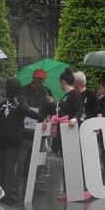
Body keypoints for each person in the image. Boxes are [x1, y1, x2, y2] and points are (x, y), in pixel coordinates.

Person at [0, 78, 29, 202]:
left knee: (1, 164)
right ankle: (9, 194)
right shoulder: (19, 97)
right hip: (15, 136)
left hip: (0, 135)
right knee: (11, 166)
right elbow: (25, 112)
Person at [53, 69, 85, 201]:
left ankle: (75, 190)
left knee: (71, 162)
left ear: (63, 81)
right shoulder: (65, 96)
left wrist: (74, 118)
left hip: (70, 131)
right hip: (63, 132)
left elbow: (79, 110)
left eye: (60, 82)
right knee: (65, 163)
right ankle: (67, 190)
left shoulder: (75, 94)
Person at [22, 68, 55, 192]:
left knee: (40, 155)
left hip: (42, 127)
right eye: (38, 79)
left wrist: (52, 103)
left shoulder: (47, 91)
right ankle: (25, 180)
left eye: (42, 79)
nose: (40, 81)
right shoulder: (24, 90)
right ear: (33, 78)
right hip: (26, 129)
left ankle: (39, 182)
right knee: (25, 156)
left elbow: (52, 112)